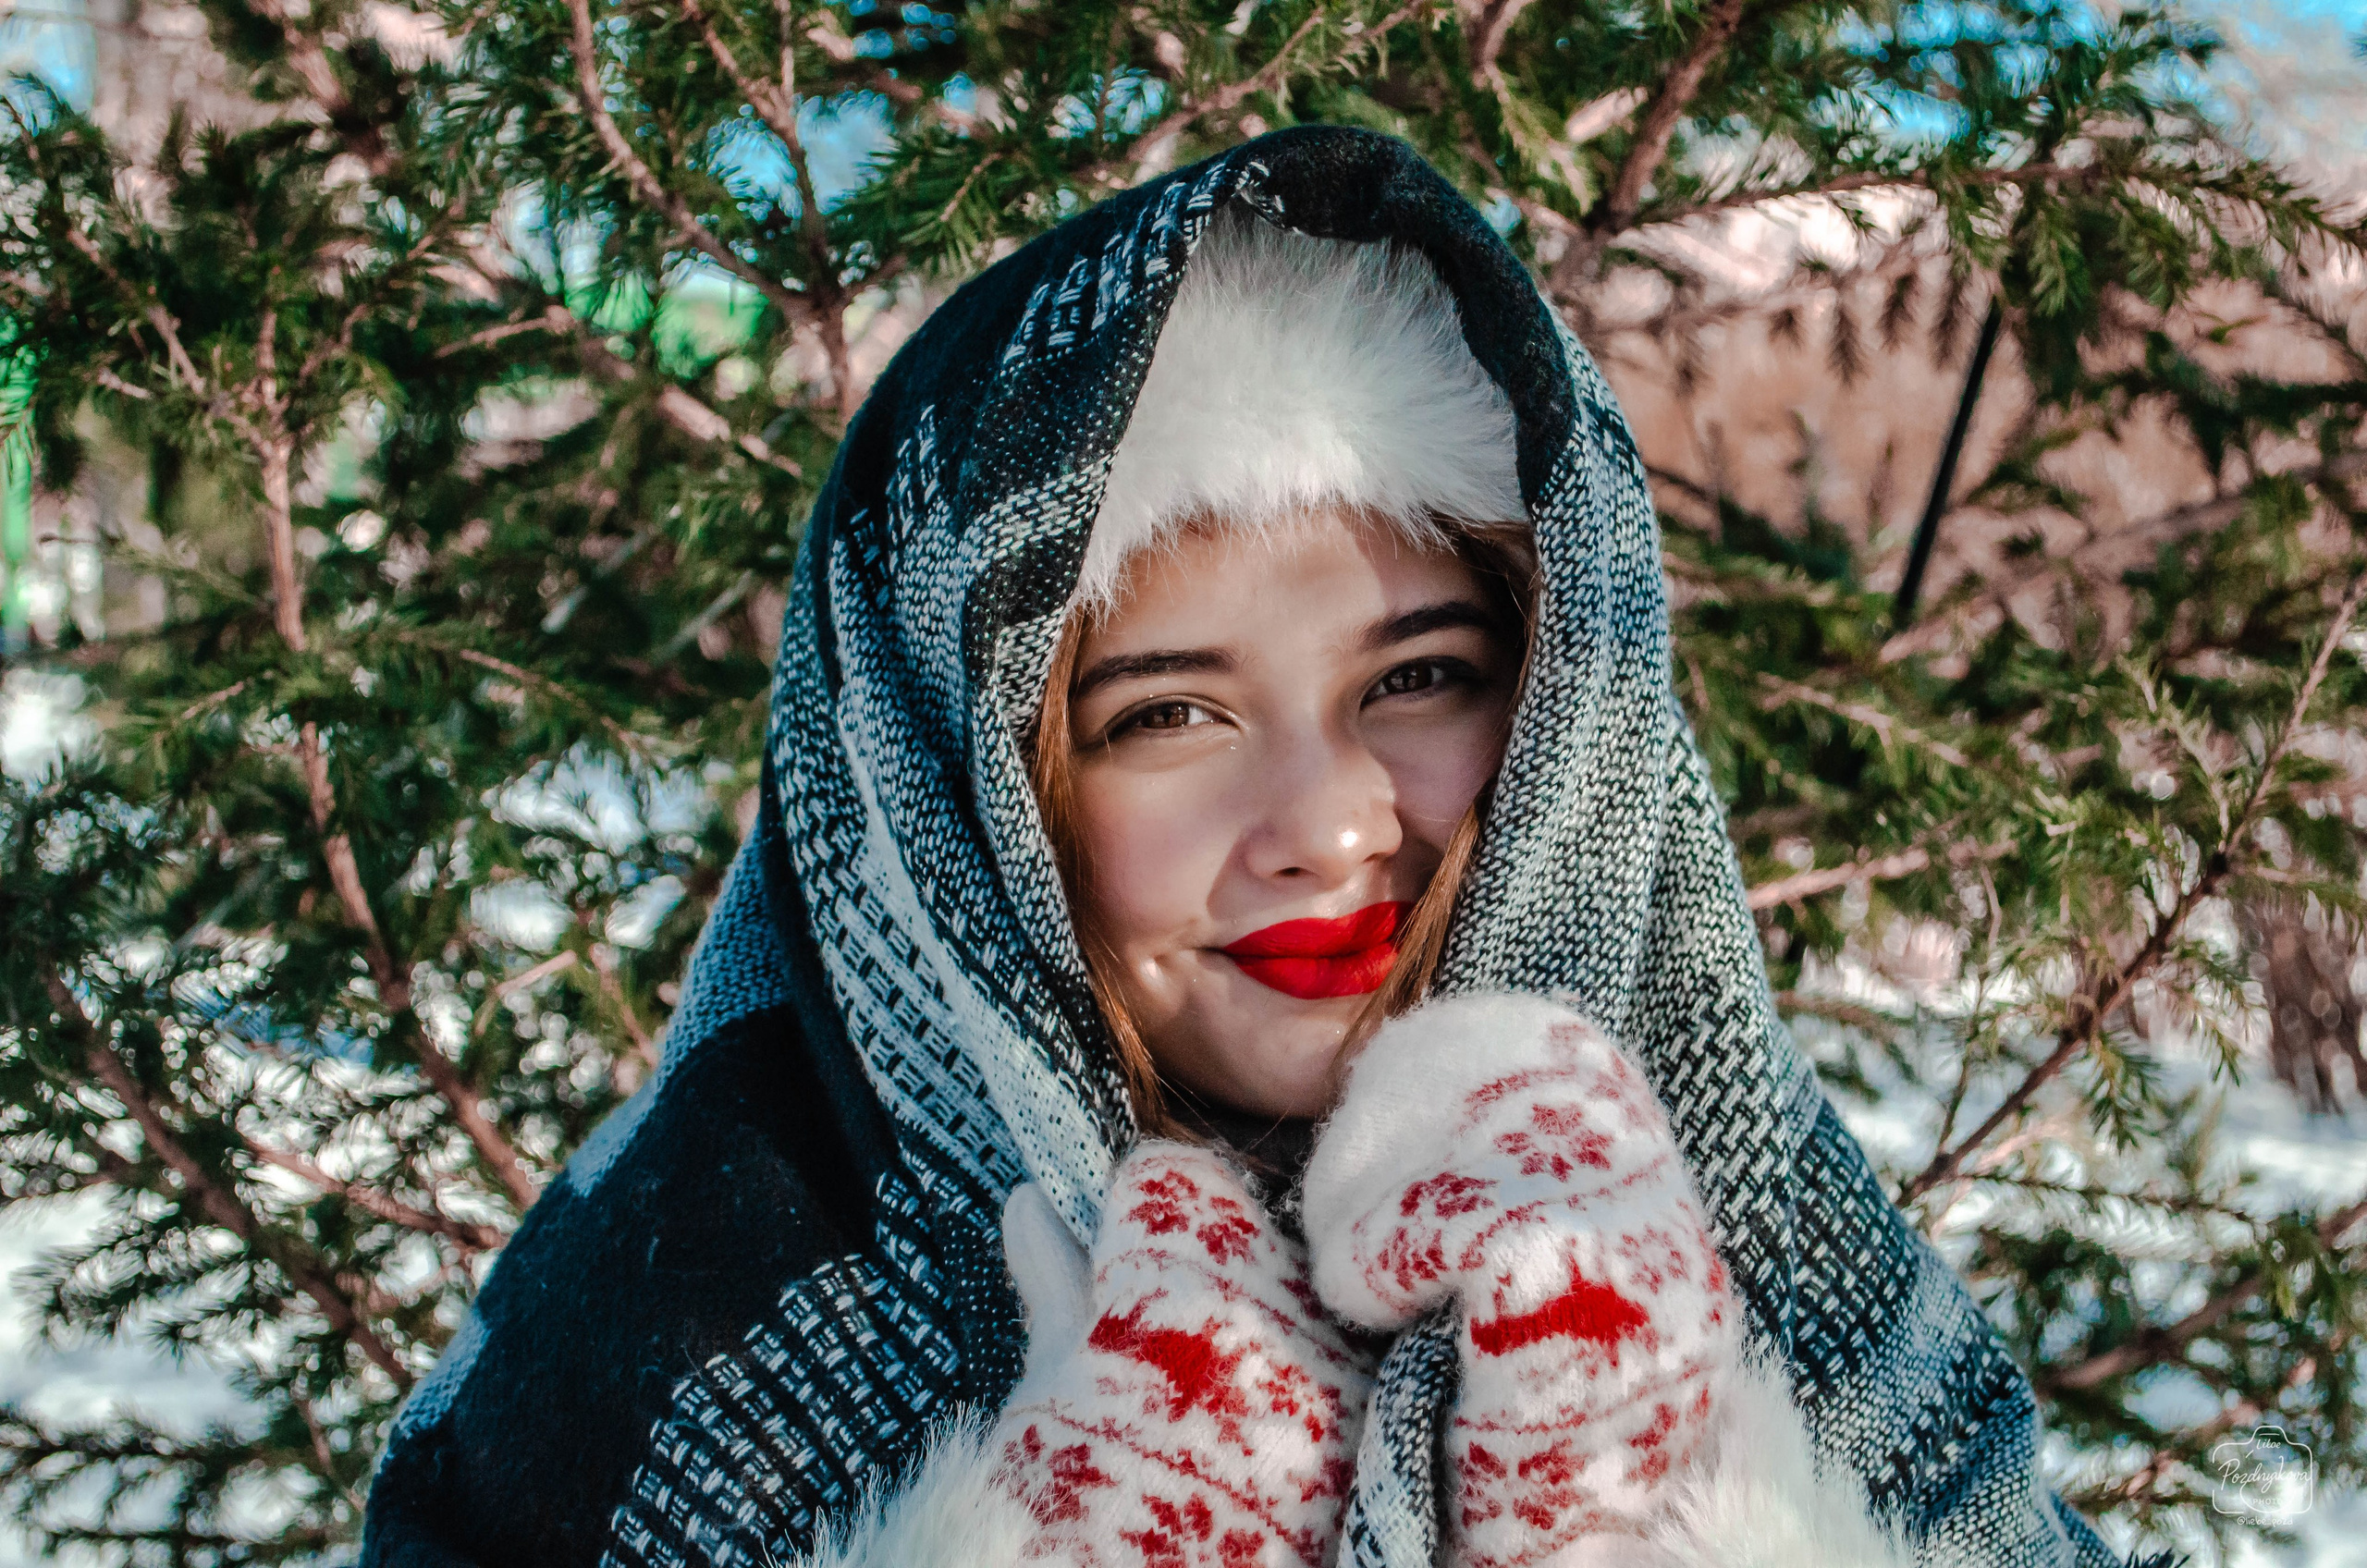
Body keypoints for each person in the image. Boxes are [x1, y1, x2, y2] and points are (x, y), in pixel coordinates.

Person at [360, 128, 2152, 1568]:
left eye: (1421, 675)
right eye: (1163, 711)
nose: (1324, 825)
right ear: (961, 780)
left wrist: (1706, 1520)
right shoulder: (680, 1310)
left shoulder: (1767, 1266)